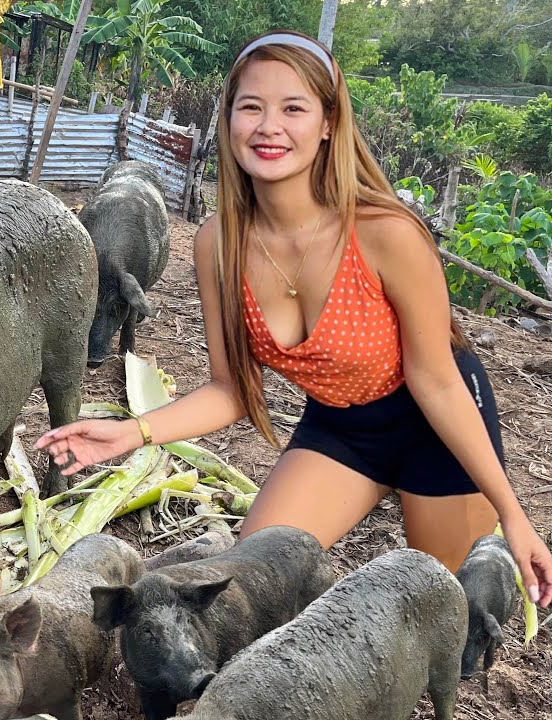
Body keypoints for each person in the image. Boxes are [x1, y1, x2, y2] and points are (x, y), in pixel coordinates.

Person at [35, 29, 552, 608]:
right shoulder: (218, 245)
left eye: (293, 108)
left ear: (329, 123)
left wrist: (513, 514)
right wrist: (132, 432)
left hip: (435, 425)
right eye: (251, 106)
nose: (268, 126)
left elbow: (436, 381)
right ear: (228, 118)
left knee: (444, 610)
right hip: (341, 429)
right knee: (251, 590)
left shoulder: (387, 233)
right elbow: (232, 390)